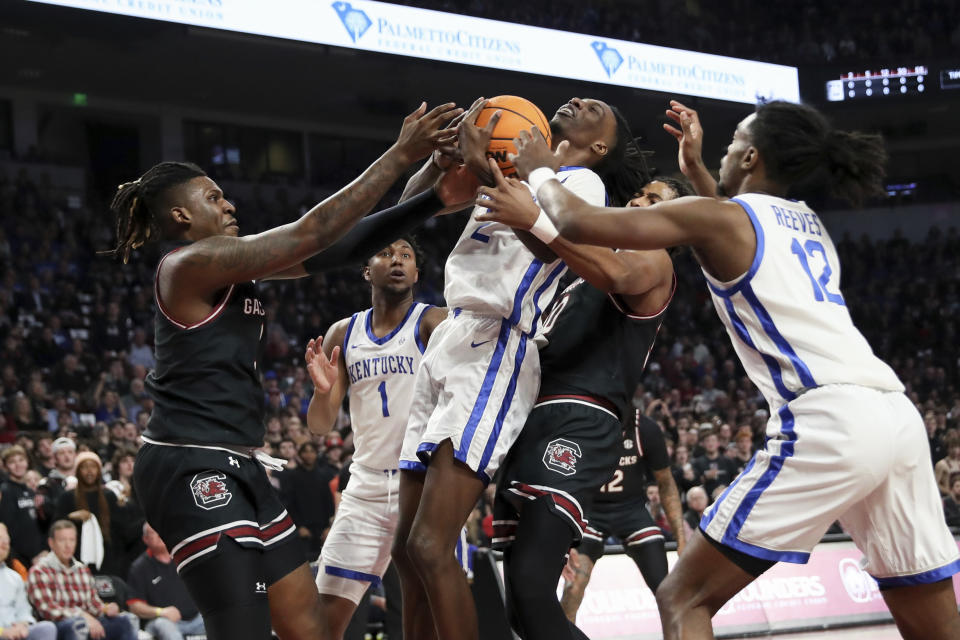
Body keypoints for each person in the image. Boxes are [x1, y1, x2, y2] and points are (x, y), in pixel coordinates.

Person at [481, 98, 960, 639]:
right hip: (896, 417)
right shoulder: (807, 223)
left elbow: (573, 218)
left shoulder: (721, 218)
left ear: (752, 155)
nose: (725, 147)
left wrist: (541, 167)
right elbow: (735, 228)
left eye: (733, 140)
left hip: (830, 419)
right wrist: (700, 174)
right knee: (927, 608)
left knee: (682, 598)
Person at [118, 102, 472, 640]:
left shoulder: (233, 265)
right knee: (243, 630)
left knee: (309, 629)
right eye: (213, 197)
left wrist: (433, 197)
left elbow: (340, 245)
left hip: (242, 461)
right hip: (189, 464)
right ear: (181, 217)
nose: (229, 202)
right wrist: (400, 155)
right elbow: (312, 232)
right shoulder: (186, 266)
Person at [392, 96, 648, 640]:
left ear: (600, 145)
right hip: (449, 338)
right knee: (405, 551)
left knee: (430, 544)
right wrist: (443, 164)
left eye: (593, 106)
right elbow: (411, 209)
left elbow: (551, 247)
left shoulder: (580, 184)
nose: (577, 99)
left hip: (497, 344)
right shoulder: (512, 167)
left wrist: (482, 163)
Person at [480, 173, 685, 640]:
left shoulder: (655, 259)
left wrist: (536, 215)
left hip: (580, 415)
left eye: (653, 200)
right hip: (535, 416)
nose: (637, 199)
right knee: (523, 611)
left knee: (532, 591)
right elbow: (555, 251)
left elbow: (614, 275)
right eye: (638, 191)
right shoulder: (591, 257)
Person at [304, 236, 447, 640]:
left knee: (428, 617)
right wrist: (321, 392)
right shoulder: (342, 333)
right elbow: (320, 426)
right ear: (367, 270)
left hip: (420, 485)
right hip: (364, 487)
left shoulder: (434, 322)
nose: (397, 261)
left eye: (406, 255)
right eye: (386, 253)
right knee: (321, 623)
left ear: (417, 272)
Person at [558, 415, 686, 626]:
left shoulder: (645, 428)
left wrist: (681, 540)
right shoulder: (586, 422)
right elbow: (565, 481)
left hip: (633, 511)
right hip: (591, 512)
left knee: (667, 590)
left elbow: (666, 482)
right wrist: (564, 537)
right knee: (574, 586)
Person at [27, 520, 136, 640]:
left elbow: (93, 603)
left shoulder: (82, 569)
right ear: (51, 543)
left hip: (89, 623)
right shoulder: (39, 571)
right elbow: (47, 610)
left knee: (126, 620)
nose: (68, 545)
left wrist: (106, 608)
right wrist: (82, 616)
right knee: (77, 624)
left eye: (72, 540)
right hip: (59, 626)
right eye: (62, 540)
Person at [126, 524, 204, 640]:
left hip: (197, 618)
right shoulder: (139, 567)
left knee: (219, 619)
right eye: (154, 532)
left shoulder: (184, 556)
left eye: (162, 530)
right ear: (145, 539)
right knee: (165, 627)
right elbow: (134, 605)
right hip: (164, 621)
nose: (160, 535)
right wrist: (161, 612)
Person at [0, 523, 57, 640]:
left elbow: (24, 609)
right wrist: (2, 632)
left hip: (16, 631)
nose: (5, 543)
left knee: (47, 628)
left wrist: (23, 624)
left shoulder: (14, 577)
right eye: (0, 538)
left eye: (6, 539)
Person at [0, 446, 45, 566]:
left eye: (21, 460)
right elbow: (10, 529)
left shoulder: (30, 491)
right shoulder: (5, 491)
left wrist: (40, 551)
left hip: (37, 556)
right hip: (18, 558)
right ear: (5, 467)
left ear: (27, 462)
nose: (18, 465)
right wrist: (30, 555)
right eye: (12, 462)